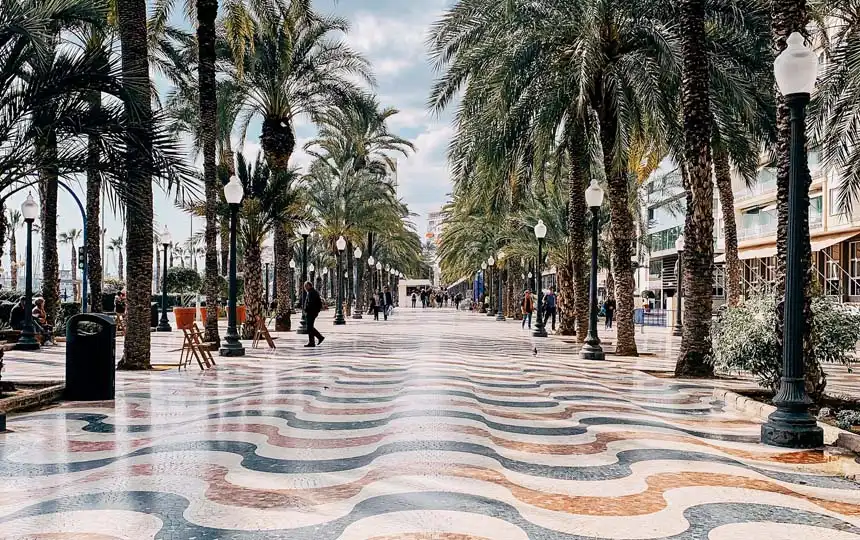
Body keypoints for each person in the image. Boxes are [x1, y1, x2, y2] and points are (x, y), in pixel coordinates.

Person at [303, 281, 324, 347]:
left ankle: (318, 338)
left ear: (309, 286)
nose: (305, 288)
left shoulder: (311, 293)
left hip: (311, 312)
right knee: (310, 327)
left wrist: (307, 310)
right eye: (304, 286)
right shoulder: (313, 292)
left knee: (309, 327)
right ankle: (313, 341)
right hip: (313, 312)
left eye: (306, 286)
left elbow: (310, 303)